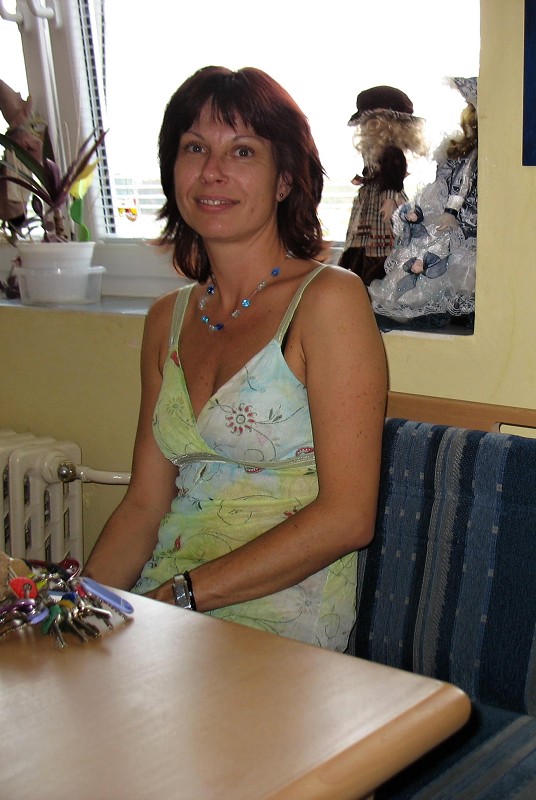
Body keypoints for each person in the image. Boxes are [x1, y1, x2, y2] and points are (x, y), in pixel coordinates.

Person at [84, 66, 388, 649]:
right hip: (164, 608)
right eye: (194, 147)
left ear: (285, 179)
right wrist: (81, 607)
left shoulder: (328, 301)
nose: (212, 171)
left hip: (276, 623)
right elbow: (144, 505)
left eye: (243, 151)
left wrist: (180, 596)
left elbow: (348, 517)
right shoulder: (166, 320)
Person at [369, 78, 478, 328]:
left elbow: (462, 183)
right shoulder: (463, 152)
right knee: (430, 247)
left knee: (448, 255)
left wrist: (451, 210)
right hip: (455, 212)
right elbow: (457, 181)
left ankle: (445, 305)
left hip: (464, 216)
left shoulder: (472, 154)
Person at [339, 85, 428, 286]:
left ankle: (377, 278)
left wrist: (388, 200)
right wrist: (364, 179)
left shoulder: (392, 153)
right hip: (371, 199)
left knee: (383, 241)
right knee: (364, 238)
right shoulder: (375, 150)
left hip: (386, 199)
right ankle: (362, 278)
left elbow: (393, 177)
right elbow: (374, 172)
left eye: (369, 123)